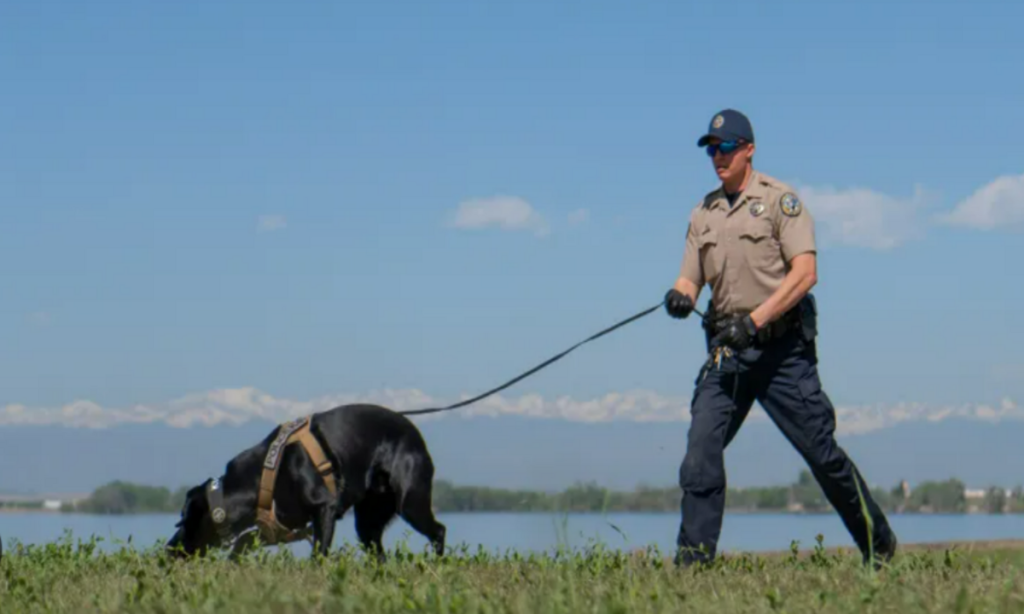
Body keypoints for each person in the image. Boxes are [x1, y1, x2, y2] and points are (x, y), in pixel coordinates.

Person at [663, 109, 898, 568]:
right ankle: (692, 568)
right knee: (699, 455)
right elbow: (690, 281)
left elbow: (806, 273)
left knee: (823, 456)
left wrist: (753, 322)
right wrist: (678, 296)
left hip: (781, 353)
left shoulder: (779, 201)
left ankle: (879, 545)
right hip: (728, 354)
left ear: (748, 149)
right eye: (712, 149)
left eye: (726, 147)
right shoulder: (703, 213)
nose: (718, 157)